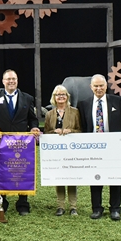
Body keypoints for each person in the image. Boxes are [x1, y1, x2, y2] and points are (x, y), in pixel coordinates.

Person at [78, 74, 121, 221]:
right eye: (96, 86)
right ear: (91, 87)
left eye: (101, 86)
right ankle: (96, 208)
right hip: (93, 148)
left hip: (114, 148)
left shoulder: (117, 101)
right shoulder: (84, 104)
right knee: (95, 179)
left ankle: (115, 209)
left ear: (106, 86)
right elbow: (81, 126)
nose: (99, 88)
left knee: (115, 177)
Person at [0, 69, 40, 215]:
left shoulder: (27, 98)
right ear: (3, 81)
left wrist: (34, 127)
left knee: (22, 170)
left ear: (17, 81)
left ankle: (23, 203)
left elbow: (33, 119)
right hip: (2, 143)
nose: (11, 81)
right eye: (8, 79)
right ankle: (2, 201)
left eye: (14, 79)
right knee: (2, 171)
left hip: (22, 144)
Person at [44, 85, 81, 216]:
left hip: (72, 151)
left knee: (71, 178)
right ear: (54, 97)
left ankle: (73, 206)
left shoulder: (75, 112)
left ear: (67, 97)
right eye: (58, 94)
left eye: (63, 94)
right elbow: (46, 132)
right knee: (59, 178)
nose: (61, 97)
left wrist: (71, 131)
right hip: (56, 153)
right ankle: (60, 206)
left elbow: (81, 130)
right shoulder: (49, 114)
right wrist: (54, 131)